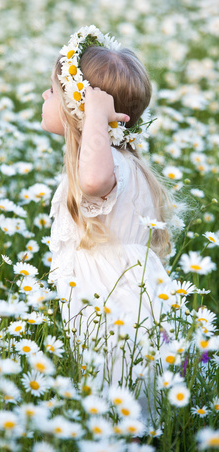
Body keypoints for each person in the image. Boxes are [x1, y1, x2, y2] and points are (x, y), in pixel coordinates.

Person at [41, 25, 176, 409]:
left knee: (121, 400)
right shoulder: (119, 160)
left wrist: (97, 117)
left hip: (116, 306)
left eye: (53, 90)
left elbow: (94, 180)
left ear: (78, 107)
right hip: (111, 298)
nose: (45, 96)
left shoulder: (107, 163)